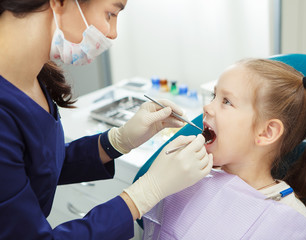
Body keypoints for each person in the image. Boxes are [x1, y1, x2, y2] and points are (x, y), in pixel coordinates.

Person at [0, 0, 213, 239]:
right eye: (111, 14)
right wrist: (141, 196)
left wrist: (117, 141)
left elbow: (38, 165)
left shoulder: (29, 75)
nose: (113, 32)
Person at [142, 58, 306, 239]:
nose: (207, 107)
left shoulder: (293, 225)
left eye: (226, 101)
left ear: (267, 132)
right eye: (214, 95)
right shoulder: (186, 176)